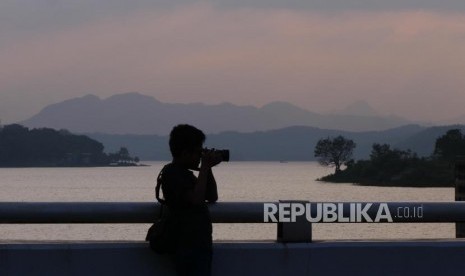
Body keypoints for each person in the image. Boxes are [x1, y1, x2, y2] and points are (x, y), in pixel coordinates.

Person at [156, 124, 222, 276]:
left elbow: (212, 196)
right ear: (185, 153)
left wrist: (208, 168)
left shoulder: (186, 173)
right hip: (187, 248)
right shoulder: (172, 173)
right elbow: (197, 200)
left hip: (199, 246)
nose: (200, 156)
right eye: (198, 152)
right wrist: (204, 167)